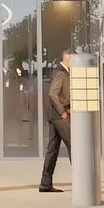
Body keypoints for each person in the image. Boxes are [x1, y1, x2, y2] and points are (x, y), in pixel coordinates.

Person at [39, 49, 74, 193]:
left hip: (55, 116)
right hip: (59, 117)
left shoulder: (64, 72)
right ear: (68, 59)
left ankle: (45, 184)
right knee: (74, 145)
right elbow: (52, 93)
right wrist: (63, 112)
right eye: (74, 60)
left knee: (52, 150)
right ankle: (81, 182)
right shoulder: (61, 73)